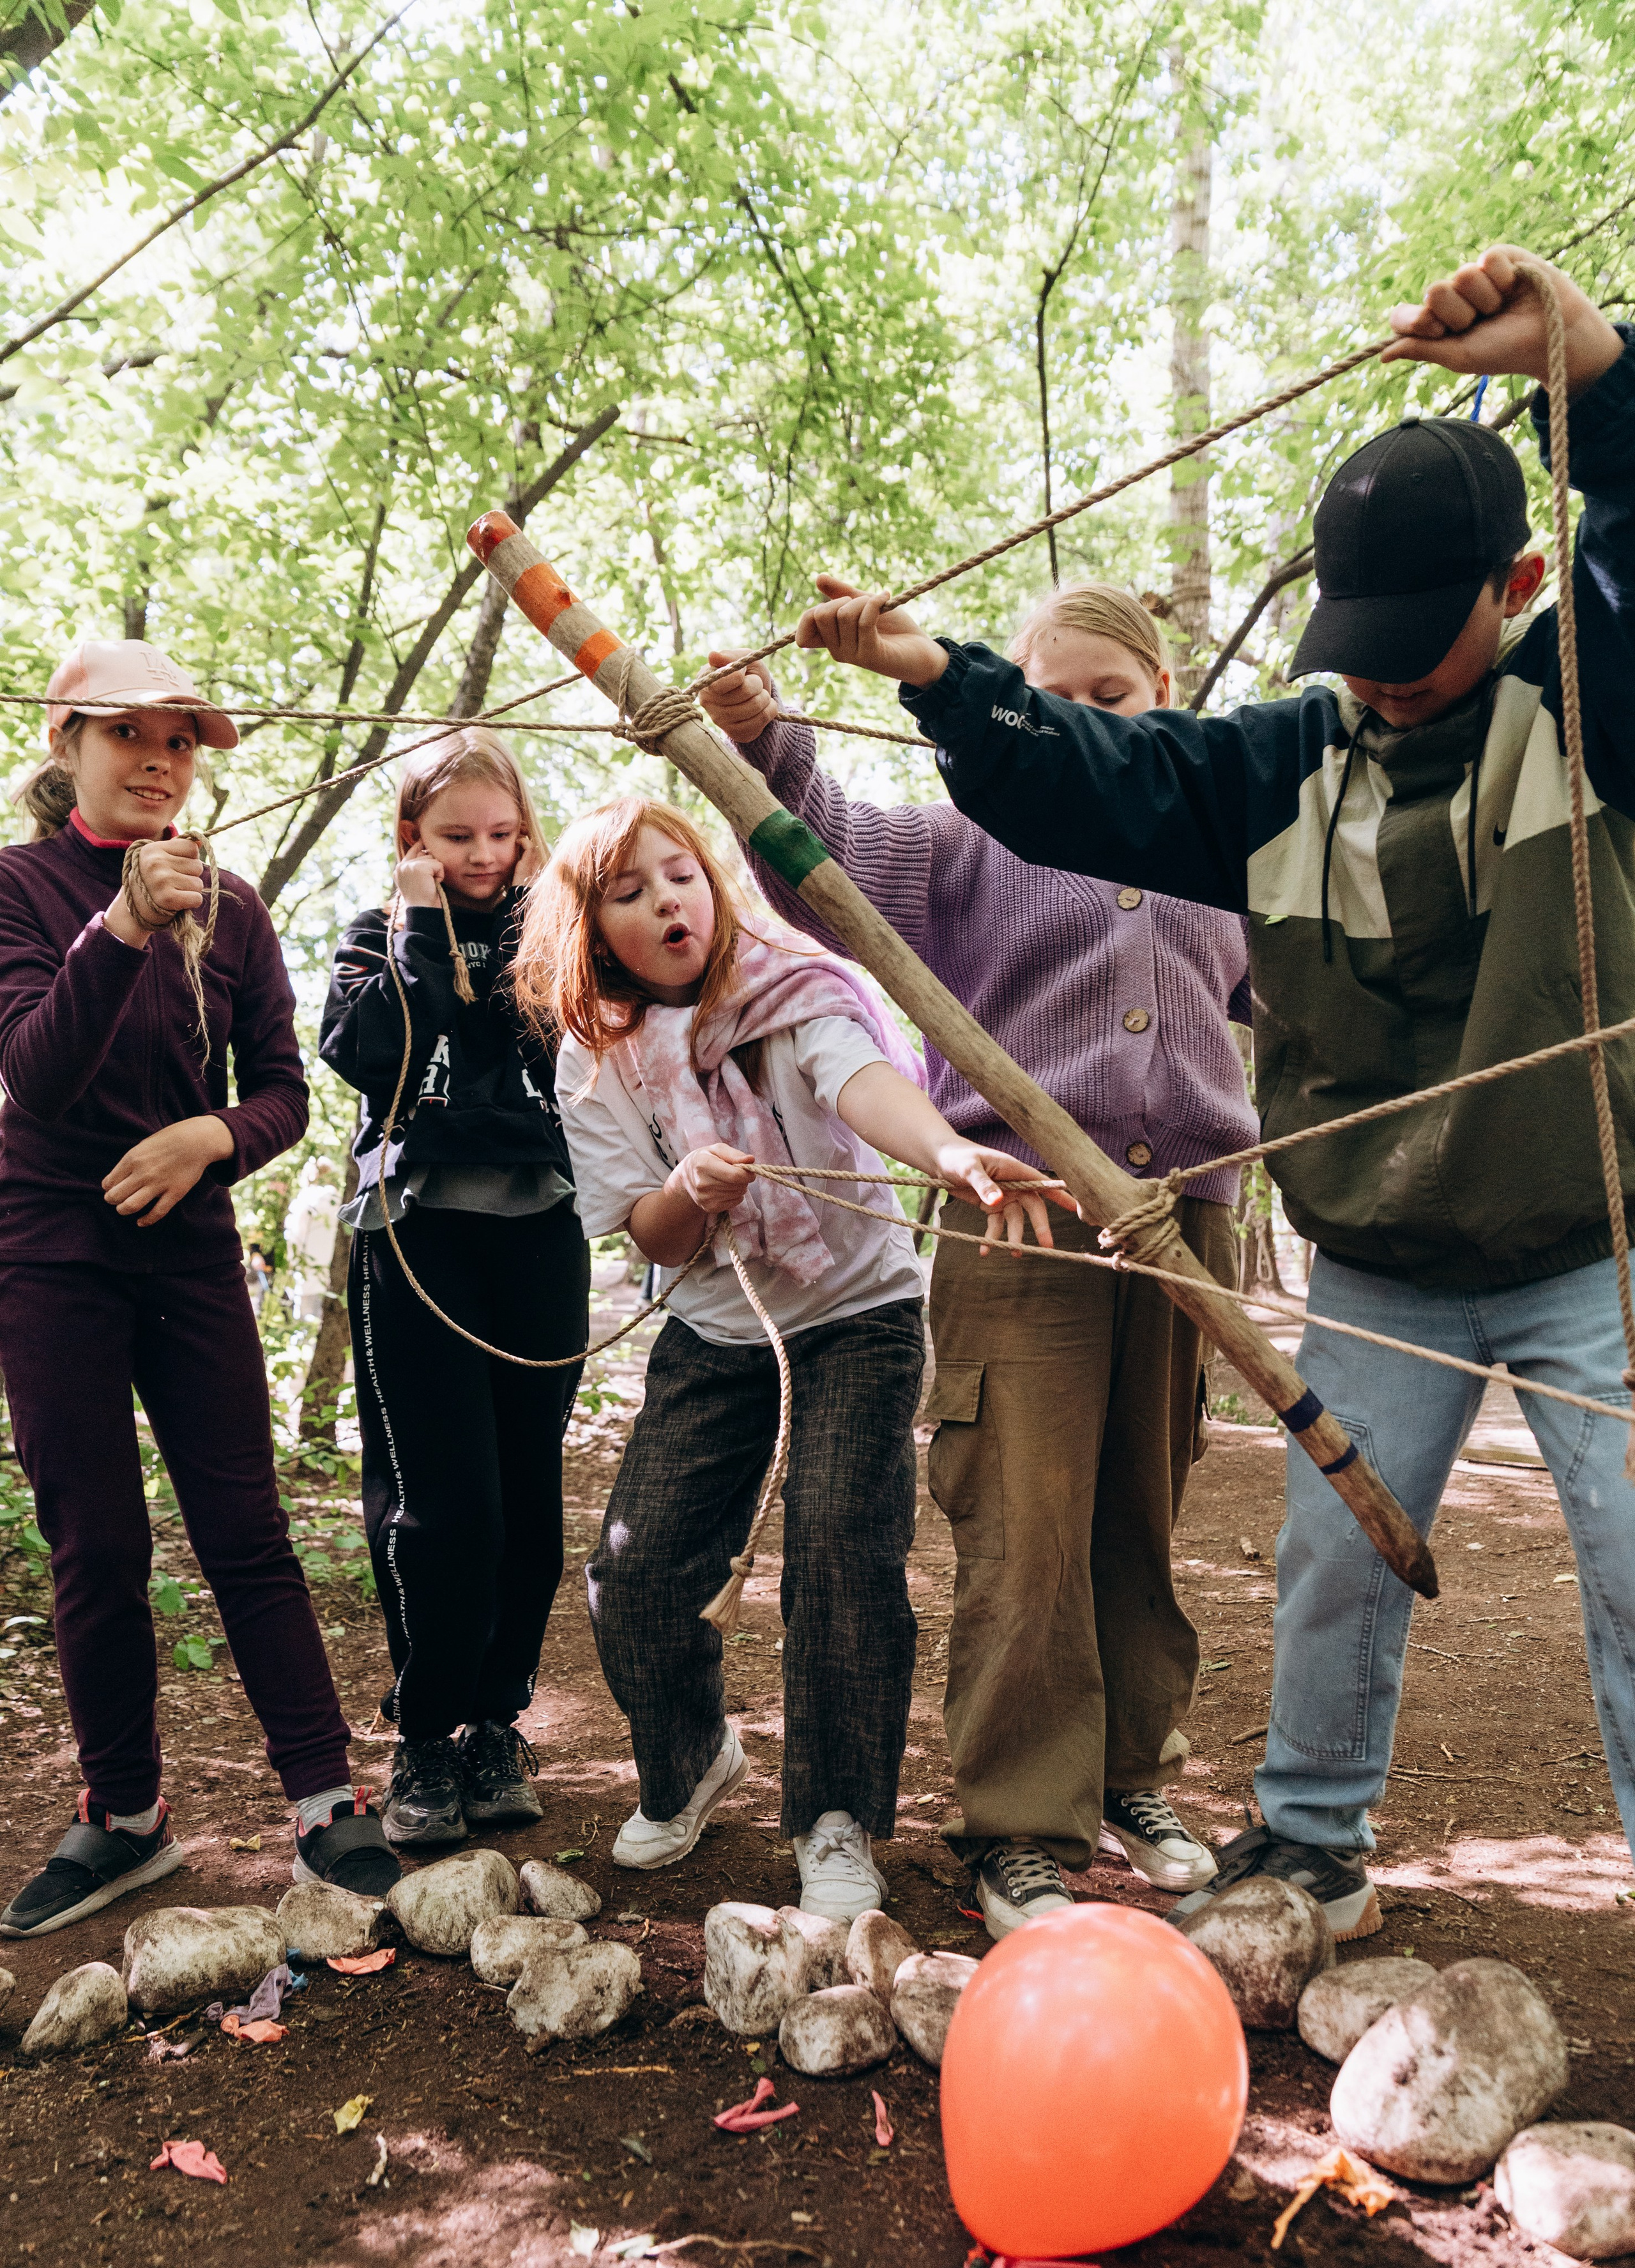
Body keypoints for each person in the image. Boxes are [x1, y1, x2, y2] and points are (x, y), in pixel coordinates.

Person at [795, 243, 1635, 1935]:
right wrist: (941, 677)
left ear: (1521, 581)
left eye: (1425, 632)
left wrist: (1602, 389)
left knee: (1630, 1563)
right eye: (1361, 635)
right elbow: (1097, 776)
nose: (1385, 667)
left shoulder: (1588, 708)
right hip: (1386, 1260)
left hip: (1578, 1252)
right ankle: (1310, 1842)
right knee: (1335, 1560)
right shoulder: (1287, 760)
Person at [698, 584, 1254, 1938]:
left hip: (1183, 1225)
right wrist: (765, 749)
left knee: (1140, 1506)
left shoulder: (1220, 835)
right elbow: (817, 855)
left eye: (1108, 701)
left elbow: (1303, 990)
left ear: (1162, 696)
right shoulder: (970, 840)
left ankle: (1129, 1776)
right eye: (1047, 698)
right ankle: (1020, 1822)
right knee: (1022, 1523)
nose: (1075, 723)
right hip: (1020, 1215)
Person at [514, 795, 1054, 1920]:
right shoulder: (596, 1059)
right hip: (718, 1327)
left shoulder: (791, 988)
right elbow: (649, 1236)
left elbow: (862, 1084)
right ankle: (692, 1759)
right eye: (629, 892)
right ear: (590, 931)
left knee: (839, 1553)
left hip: (859, 1316)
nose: (668, 902)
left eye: (681, 875)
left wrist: (953, 1152)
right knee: (639, 1567)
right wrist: (688, 1190)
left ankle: (835, 1819)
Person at [0, 639, 397, 1937]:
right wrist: (121, 927)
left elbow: (282, 1087)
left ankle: (326, 1803)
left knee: (243, 1526)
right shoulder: (18, 889)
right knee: (98, 1546)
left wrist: (212, 1137)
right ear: (67, 748)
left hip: (187, 1251)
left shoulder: (235, 910)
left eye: (180, 741)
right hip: (50, 1246)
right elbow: (36, 1076)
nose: (159, 760)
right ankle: (125, 1820)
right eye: (130, 736)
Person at [320, 727, 589, 1850]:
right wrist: (425, 927)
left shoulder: (558, 939)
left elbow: (553, 1057)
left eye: (502, 834)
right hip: (416, 1241)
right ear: (411, 843)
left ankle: (495, 1721)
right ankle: (425, 1730)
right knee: (444, 1505)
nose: (484, 855)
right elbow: (382, 1056)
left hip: (540, 1240)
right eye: (456, 837)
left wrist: (517, 935)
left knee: (528, 1498)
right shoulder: (377, 939)